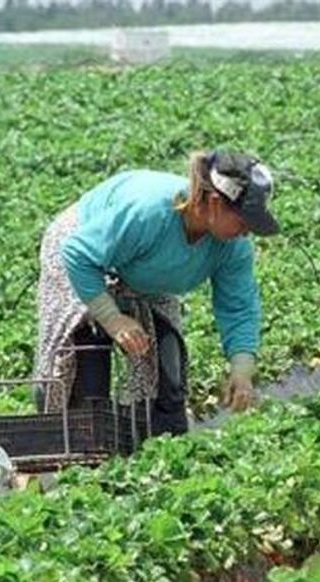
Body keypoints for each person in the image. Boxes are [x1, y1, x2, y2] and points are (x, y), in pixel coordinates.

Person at [33, 150, 279, 436]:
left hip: (144, 268)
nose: (247, 232)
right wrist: (112, 319)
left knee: (166, 363)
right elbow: (78, 255)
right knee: (87, 357)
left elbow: (238, 305)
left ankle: (156, 442)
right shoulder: (150, 212)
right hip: (83, 252)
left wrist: (242, 369)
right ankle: (78, 443)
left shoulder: (233, 246)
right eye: (243, 221)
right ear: (214, 203)